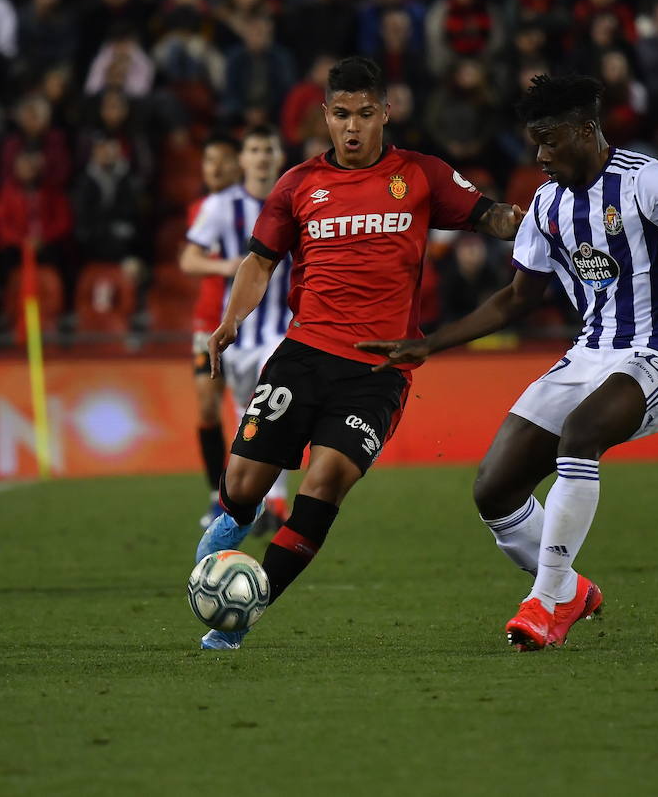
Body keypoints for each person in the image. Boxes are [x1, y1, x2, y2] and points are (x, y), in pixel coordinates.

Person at [358, 74, 658, 650]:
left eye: (551, 141)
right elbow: (517, 298)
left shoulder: (645, 179)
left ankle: (547, 601)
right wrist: (431, 343)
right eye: (535, 141)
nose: (540, 154)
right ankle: (570, 589)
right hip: (587, 355)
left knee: (579, 436)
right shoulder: (548, 205)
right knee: (494, 489)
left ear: (586, 131)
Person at [192, 56, 523, 649]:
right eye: (341, 114)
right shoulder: (297, 185)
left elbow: (488, 216)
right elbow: (259, 262)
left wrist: (523, 220)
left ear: (385, 113)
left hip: (378, 367)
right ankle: (225, 536)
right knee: (242, 485)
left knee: (326, 479)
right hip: (303, 354)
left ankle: (248, 604)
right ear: (325, 115)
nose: (352, 127)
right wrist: (231, 320)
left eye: (365, 114)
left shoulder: (421, 176)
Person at [181, 127, 293, 532]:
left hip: (283, 328)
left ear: (279, 156)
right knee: (250, 419)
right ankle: (241, 502)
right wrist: (227, 267)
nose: (262, 157)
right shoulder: (221, 207)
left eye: (268, 148)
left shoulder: (297, 197)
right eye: (254, 150)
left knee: (275, 407)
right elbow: (189, 259)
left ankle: (276, 502)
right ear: (242, 160)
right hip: (237, 333)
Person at [185, 134, 242, 527]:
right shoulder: (200, 210)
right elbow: (190, 261)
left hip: (249, 323)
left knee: (253, 410)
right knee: (207, 404)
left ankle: (259, 495)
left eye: (222, 160)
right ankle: (215, 494)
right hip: (208, 321)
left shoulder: (255, 206)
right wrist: (225, 267)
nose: (215, 168)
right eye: (208, 161)